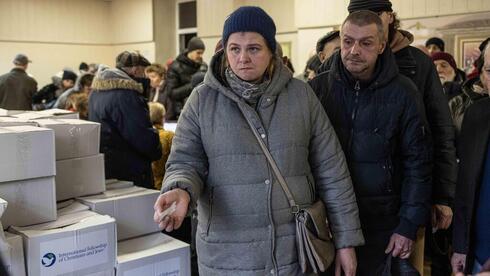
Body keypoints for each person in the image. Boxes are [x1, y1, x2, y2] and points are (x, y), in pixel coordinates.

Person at [154, 6, 364, 276]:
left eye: (253, 48)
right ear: (224, 50)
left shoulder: (301, 96)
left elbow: (332, 170)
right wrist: (180, 189)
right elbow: (185, 161)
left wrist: (346, 241)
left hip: (294, 254)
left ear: (271, 51)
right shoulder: (201, 100)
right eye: (234, 49)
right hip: (228, 256)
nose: (243, 58)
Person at [309, 10, 431, 274]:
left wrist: (408, 225)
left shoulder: (404, 92)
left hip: (383, 225)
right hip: (328, 223)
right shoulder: (318, 89)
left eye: (365, 43)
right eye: (348, 41)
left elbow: (418, 165)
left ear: (382, 45)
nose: (354, 50)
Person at [345, 1, 457, 273]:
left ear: (390, 17)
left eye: (376, 14)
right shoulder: (343, 65)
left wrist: (443, 195)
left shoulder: (417, 64)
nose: (356, 49)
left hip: (404, 198)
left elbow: (439, 131)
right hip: (352, 203)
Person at [89, 51, 162, 189]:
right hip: (130, 171)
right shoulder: (127, 95)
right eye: (144, 71)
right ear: (135, 69)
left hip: (108, 167)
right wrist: (156, 147)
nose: (145, 76)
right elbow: (141, 136)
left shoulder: (96, 92)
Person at [451, 44, 490, 275]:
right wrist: (460, 248)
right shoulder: (477, 114)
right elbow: (466, 186)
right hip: (476, 257)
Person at [166, 36, 208, 120]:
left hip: (201, 111)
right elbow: (172, 93)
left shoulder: (204, 66)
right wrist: (192, 86)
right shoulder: (175, 67)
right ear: (190, 51)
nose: (200, 56)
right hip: (180, 113)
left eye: (202, 53)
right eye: (198, 53)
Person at [148, 102, 174, 190]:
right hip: (166, 185)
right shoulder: (169, 136)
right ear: (163, 117)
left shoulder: (143, 136)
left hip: (149, 184)